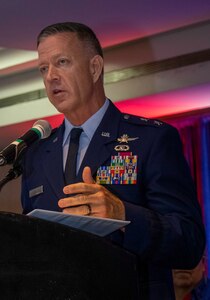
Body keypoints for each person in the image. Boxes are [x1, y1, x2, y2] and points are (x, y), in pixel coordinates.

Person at [21, 22, 205, 299]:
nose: (51, 77)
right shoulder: (36, 153)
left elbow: (189, 243)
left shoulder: (150, 140)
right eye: (43, 69)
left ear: (95, 68)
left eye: (62, 62)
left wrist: (122, 214)